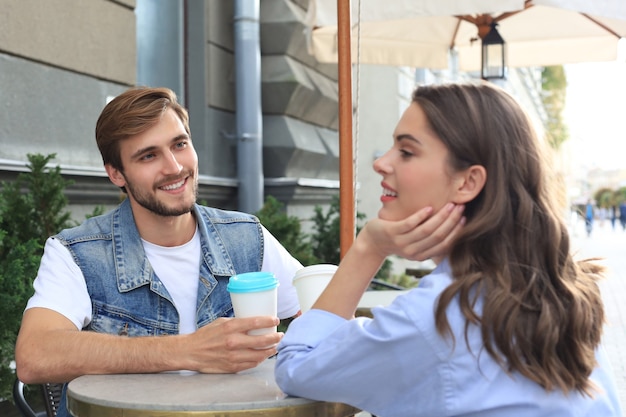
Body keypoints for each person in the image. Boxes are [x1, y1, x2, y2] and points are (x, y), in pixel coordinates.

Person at [14, 87, 463, 417]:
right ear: (116, 173)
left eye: (179, 144)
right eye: (148, 156)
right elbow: (36, 356)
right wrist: (186, 351)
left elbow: (320, 315)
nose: (174, 168)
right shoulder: (76, 252)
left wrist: (327, 322)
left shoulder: (246, 237)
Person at [275, 83, 622, 417]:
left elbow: (297, 369)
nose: (381, 163)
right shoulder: (561, 290)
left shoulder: (436, 316)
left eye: (406, 151)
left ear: (468, 182)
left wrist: (368, 247)